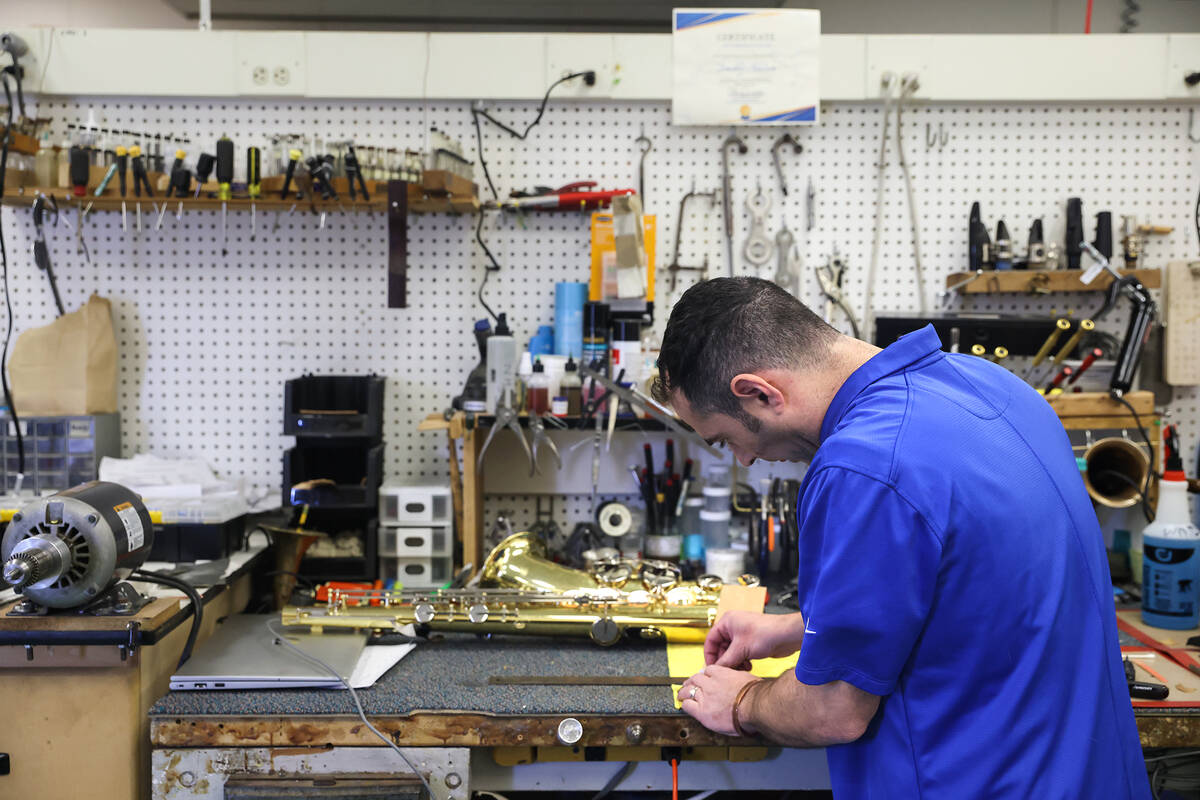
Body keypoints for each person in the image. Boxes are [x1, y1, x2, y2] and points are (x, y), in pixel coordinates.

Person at [654, 277, 1149, 798]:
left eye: (727, 439)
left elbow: (833, 712)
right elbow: (977, 589)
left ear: (758, 393)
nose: (744, 460)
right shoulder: (990, 384)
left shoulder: (863, 466)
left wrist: (743, 700)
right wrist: (801, 629)